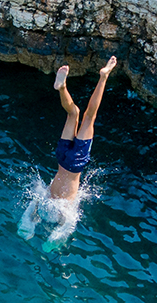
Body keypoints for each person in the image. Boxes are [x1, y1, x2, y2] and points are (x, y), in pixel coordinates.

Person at [18, 56, 118, 250]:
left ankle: (103, 77)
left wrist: (51, 243)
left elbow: (66, 228)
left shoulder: (64, 208)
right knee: (74, 114)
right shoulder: (45, 199)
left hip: (74, 164)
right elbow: (31, 214)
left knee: (89, 117)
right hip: (62, 157)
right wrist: (31, 230)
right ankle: (62, 88)